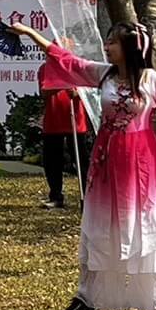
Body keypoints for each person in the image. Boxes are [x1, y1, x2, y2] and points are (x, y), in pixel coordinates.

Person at [11, 21, 156, 310]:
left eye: (113, 42)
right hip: (106, 160)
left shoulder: (153, 81)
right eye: (107, 41)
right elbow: (65, 59)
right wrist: (30, 34)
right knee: (101, 225)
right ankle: (87, 299)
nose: (107, 46)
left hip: (142, 164)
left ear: (129, 48)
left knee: (148, 224)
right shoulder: (103, 74)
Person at [37, 47, 92, 209]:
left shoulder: (77, 67)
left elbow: (88, 89)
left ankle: (88, 196)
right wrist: (60, 83)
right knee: (52, 161)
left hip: (75, 121)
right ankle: (56, 196)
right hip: (53, 121)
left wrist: (78, 92)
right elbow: (44, 93)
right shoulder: (44, 69)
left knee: (81, 160)